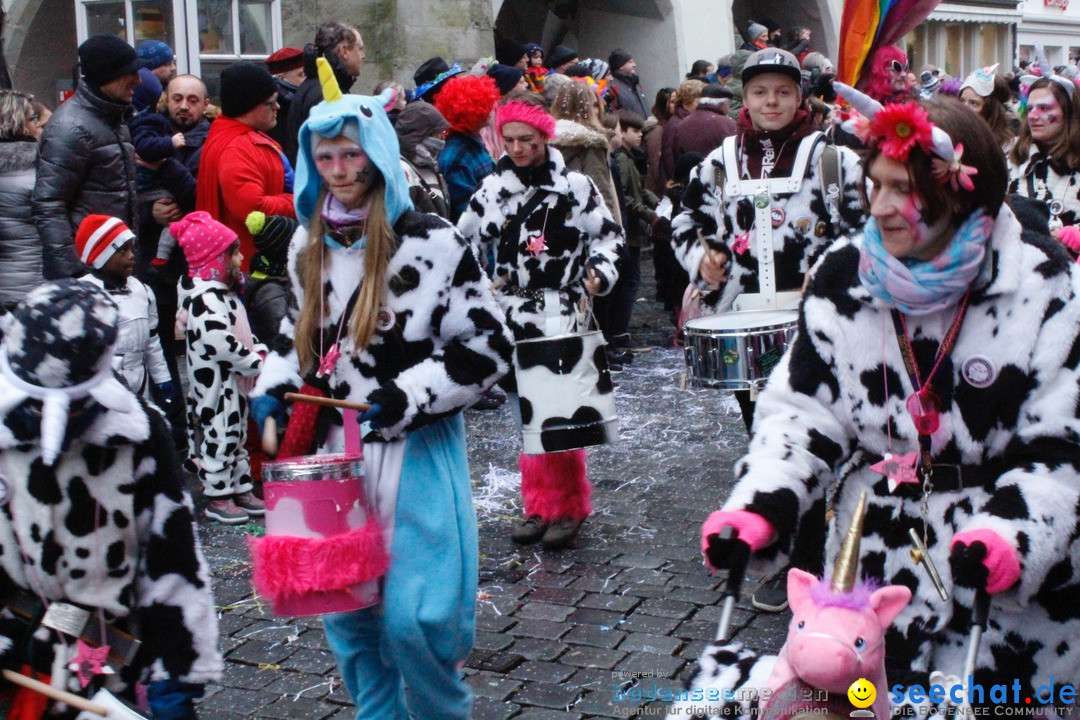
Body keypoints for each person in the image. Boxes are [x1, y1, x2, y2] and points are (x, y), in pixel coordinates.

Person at [700, 92, 1080, 710]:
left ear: (957, 191)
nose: (878, 207)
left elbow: (1063, 448)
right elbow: (803, 413)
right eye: (872, 185)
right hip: (875, 567)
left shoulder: (1044, 285)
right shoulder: (842, 276)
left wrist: (1012, 536)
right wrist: (759, 503)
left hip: (1002, 587)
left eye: (899, 188)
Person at [250, 62, 513, 720]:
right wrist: (275, 389)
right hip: (331, 455)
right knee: (349, 620)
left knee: (417, 623)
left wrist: (410, 394)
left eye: (351, 153)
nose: (339, 168)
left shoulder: (433, 242)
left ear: (378, 155)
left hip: (414, 450)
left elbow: (488, 348)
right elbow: (298, 342)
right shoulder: (307, 249)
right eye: (326, 155)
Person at [0, 279, 221, 719]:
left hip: (114, 654)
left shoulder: (136, 435)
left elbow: (171, 555)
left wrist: (175, 667)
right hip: (16, 650)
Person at [457, 97, 623, 549]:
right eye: (508, 140)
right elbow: (461, 241)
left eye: (526, 141)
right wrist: (480, 290)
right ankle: (537, 505)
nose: (517, 149)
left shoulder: (575, 187)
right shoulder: (492, 189)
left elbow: (609, 237)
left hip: (560, 309)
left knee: (561, 411)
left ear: (545, 138)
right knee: (523, 413)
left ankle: (568, 505)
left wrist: (598, 274)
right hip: (511, 313)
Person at [174, 210, 266, 524]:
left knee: (237, 436)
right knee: (220, 437)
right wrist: (253, 361)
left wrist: (258, 348)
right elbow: (220, 342)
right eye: (234, 253)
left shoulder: (224, 296)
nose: (241, 259)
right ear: (215, 260)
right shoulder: (205, 301)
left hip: (233, 384)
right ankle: (217, 494)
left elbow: (240, 332)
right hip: (215, 388)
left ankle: (240, 486)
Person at [34, 34, 141, 280]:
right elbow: (49, 204)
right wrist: (73, 274)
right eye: (130, 73)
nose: (138, 80)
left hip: (112, 264)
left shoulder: (115, 119)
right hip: (91, 270)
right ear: (106, 76)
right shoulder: (70, 128)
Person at [196, 61, 295, 272]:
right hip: (249, 267)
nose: (277, 107)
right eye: (271, 102)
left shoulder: (231, 136)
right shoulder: (238, 147)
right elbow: (252, 208)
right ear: (249, 105)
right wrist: (299, 202)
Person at [75, 214, 173, 408]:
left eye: (132, 248)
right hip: (102, 387)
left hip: (140, 380)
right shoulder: (81, 295)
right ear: (101, 256)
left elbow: (152, 339)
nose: (131, 255)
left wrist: (162, 377)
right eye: (122, 250)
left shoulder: (142, 291)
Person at [1008, 75, 1080, 249]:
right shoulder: (1011, 162)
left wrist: (1072, 236)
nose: (1032, 116)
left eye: (1044, 108)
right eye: (1030, 108)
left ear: (1068, 111)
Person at [284, 22, 365, 164]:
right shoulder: (324, 93)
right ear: (344, 51)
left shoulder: (318, 85)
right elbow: (334, 152)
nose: (363, 56)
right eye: (360, 49)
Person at [550, 81, 623, 224]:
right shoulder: (592, 143)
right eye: (594, 105)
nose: (597, 111)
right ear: (583, 108)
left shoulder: (547, 141)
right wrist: (612, 232)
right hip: (590, 225)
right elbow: (600, 192)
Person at [434, 74, 500, 220]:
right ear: (474, 111)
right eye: (486, 105)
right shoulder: (457, 156)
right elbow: (468, 211)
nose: (491, 110)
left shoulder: (471, 143)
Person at [0, 89, 42, 312]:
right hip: (32, 286)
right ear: (20, 125)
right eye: (33, 119)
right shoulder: (41, 170)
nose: (38, 125)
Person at [394, 98, 451, 217]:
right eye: (438, 132)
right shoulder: (402, 172)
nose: (442, 138)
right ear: (422, 134)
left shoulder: (428, 164)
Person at [670, 83, 738, 160]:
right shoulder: (727, 124)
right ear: (723, 105)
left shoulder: (682, 124)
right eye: (728, 105)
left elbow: (676, 156)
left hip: (688, 171)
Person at [959, 65, 1015, 150]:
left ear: (991, 109)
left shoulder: (1008, 147)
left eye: (974, 103)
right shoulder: (955, 137)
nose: (964, 108)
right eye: (962, 101)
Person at [265, 46, 305, 150]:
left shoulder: (300, 100)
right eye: (301, 75)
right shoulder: (273, 108)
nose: (306, 80)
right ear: (282, 78)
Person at [643, 87, 675, 196]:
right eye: (672, 102)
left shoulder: (671, 124)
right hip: (659, 188)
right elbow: (655, 162)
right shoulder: (656, 130)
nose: (676, 105)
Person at [608, 49, 649, 118]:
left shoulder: (636, 85)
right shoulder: (613, 87)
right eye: (630, 62)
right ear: (620, 66)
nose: (634, 65)